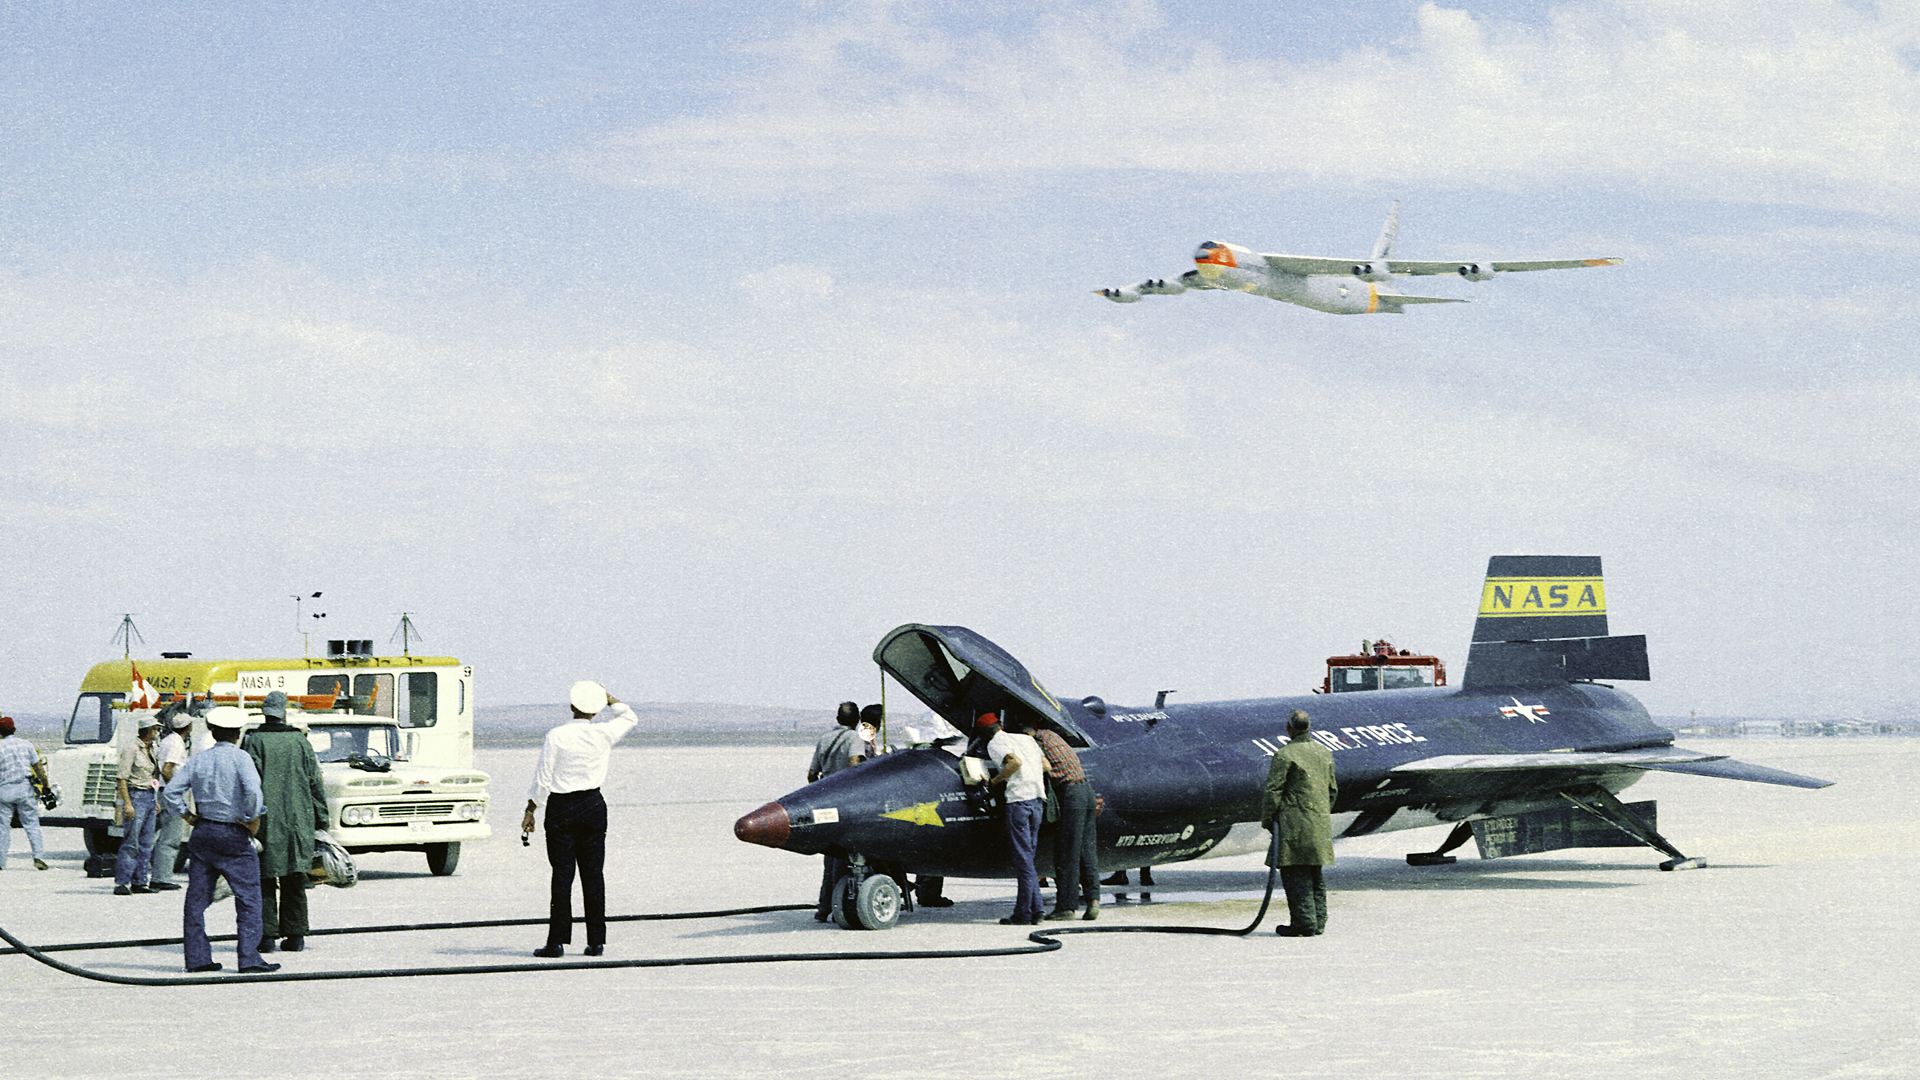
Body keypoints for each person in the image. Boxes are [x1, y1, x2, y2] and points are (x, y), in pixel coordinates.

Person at [521, 681, 639, 958]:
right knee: (593, 874)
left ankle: (557, 942)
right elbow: (630, 717)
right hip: (593, 805)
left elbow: (543, 778)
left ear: (572, 706)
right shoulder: (604, 733)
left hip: (562, 807)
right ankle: (596, 941)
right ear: (596, 710)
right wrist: (610, 699)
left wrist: (531, 809)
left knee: (562, 876)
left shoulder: (557, 735)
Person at [161, 706, 277, 973]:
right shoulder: (242, 758)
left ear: (212, 732)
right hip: (233, 832)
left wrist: (189, 817)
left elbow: (171, 793)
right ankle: (249, 958)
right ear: (237, 734)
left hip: (203, 832)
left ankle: (198, 958)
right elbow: (253, 793)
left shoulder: (199, 760)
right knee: (248, 898)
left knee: (196, 900)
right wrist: (252, 818)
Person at [242, 691, 329, 953]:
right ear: (285, 712)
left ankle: (266, 937)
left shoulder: (253, 741)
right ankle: (296, 936)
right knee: (294, 878)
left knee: (264, 878)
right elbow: (315, 782)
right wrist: (321, 819)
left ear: (264, 712)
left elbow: (247, 784)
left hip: (264, 822)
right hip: (297, 822)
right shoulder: (300, 742)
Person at [1261, 710, 1338, 937]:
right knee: (1315, 874)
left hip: (1293, 824)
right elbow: (1332, 790)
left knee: (1295, 873)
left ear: (1289, 728)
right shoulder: (1324, 752)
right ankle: (1318, 922)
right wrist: (1319, 815)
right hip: (1318, 823)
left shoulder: (1285, 754)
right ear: (1309, 727)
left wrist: (1268, 819)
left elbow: (1273, 791)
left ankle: (1304, 924)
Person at [982, 712, 1047, 926]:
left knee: (1023, 860)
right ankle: (1037, 910)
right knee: (1029, 858)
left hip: (1019, 802)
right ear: (1000, 724)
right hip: (1037, 801)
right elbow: (1046, 766)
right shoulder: (1026, 738)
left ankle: (1022, 914)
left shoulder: (995, 743)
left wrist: (994, 781)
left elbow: (1015, 763)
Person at [1032, 724, 1099, 921]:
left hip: (1070, 794)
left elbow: (1045, 766)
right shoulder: (1051, 735)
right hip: (1086, 790)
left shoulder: (1036, 743)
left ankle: (1066, 907)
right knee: (1087, 850)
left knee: (1067, 850)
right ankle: (1093, 901)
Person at [808, 701, 862, 921]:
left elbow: (812, 775)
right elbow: (854, 766)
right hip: (845, 803)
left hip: (825, 803)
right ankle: (839, 906)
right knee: (844, 858)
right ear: (857, 721)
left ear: (838, 719)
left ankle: (824, 908)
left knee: (829, 858)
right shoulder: (854, 738)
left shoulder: (824, 739)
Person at [112, 715, 164, 894]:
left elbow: (152, 777)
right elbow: (122, 778)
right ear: (149, 730)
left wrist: (155, 800)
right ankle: (122, 882)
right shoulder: (132, 749)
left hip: (148, 796)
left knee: (146, 842)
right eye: (155, 729)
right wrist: (127, 804)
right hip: (136, 795)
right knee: (131, 842)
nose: (157, 733)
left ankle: (140, 881)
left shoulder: (150, 750)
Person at [148, 701, 196, 892]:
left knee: (151, 835)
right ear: (188, 727)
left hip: (161, 793)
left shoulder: (167, 740)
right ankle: (161, 877)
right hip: (170, 794)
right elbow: (167, 769)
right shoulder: (176, 743)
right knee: (170, 838)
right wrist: (176, 789)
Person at [0, 716, 50, 871]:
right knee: (32, 824)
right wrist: (46, 785)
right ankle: (38, 857)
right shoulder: (26, 745)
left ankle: (1, 862)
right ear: (14, 729)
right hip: (24, 789)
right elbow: (38, 767)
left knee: (3, 827)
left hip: (4, 790)